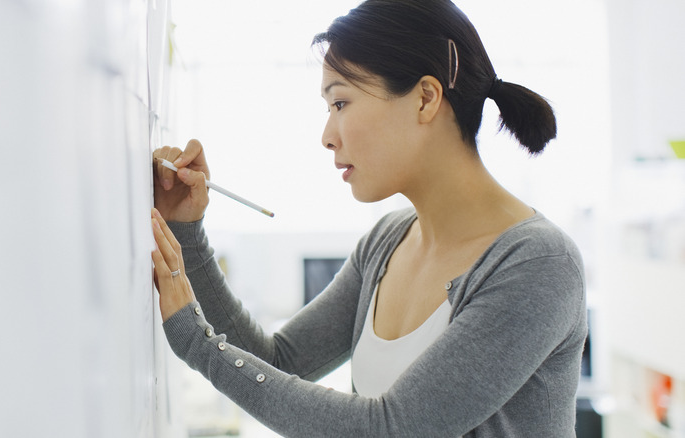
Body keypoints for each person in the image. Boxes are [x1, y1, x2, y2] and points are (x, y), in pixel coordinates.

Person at [149, 0, 587, 436]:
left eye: (340, 102)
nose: (327, 136)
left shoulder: (539, 263)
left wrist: (195, 342)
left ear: (425, 98)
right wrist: (187, 231)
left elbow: (390, 428)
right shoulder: (387, 241)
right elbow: (275, 362)